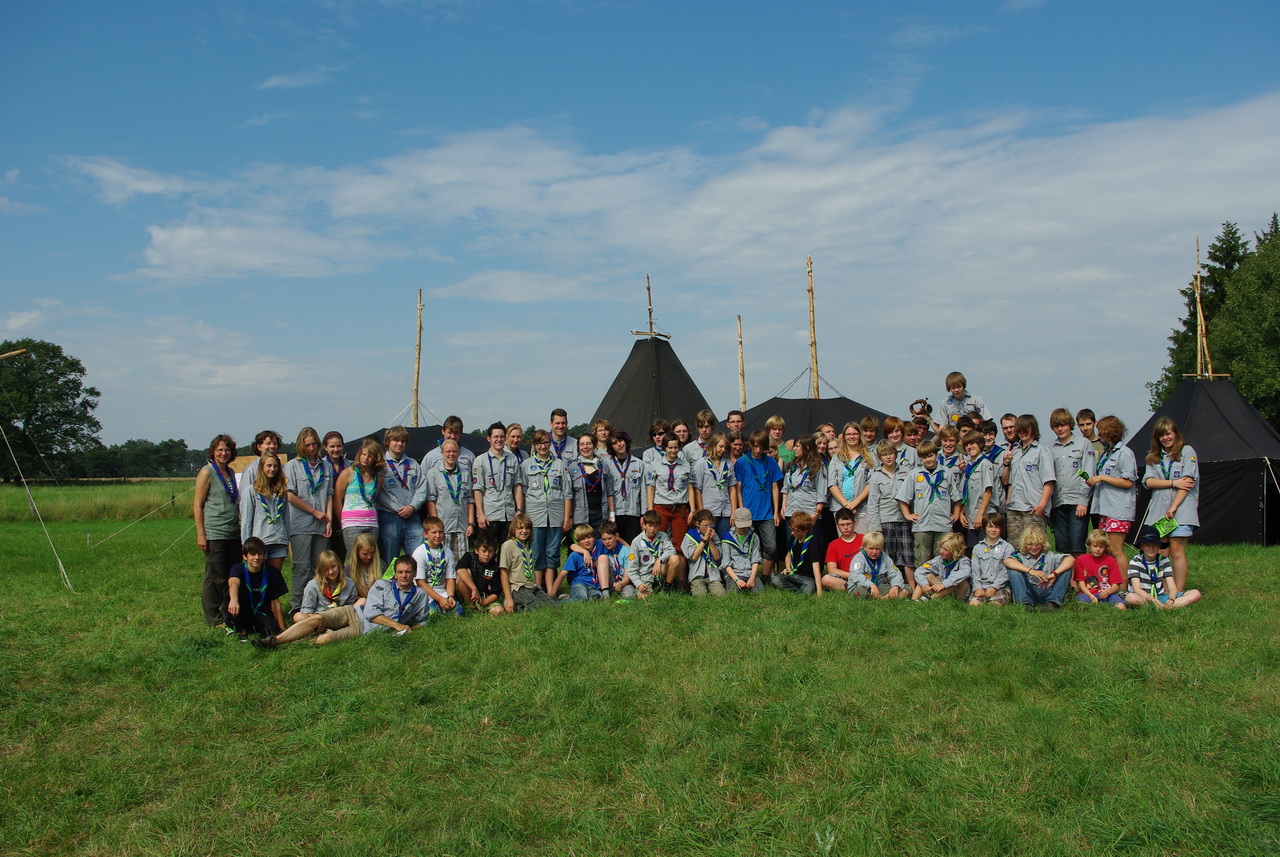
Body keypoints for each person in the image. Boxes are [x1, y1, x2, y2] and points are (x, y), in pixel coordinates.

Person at [253, 555, 430, 648]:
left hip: (362, 630)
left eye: (407, 572)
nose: (403, 576)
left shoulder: (420, 594)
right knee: (316, 619)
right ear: (395, 573)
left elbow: (422, 621)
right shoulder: (382, 585)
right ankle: (274, 641)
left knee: (325, 640)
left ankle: (300, 641)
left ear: (414, 573)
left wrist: (411, 629)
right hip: (353, 613)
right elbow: (371, 613)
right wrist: (398, 626)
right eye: (400, 572)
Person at [1142, 417, 1199, 592]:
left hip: (1180, 511)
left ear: (1175, 433)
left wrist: (1174, 507)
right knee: (1161, 552)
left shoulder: (1187, 451)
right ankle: (1163, 589)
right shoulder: (1153, 457)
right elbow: (1149, 482)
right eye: (1161, 435)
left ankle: (1178, 591)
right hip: (1159, 511)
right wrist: (1173, 483)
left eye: (1168, 433)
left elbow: (1187, 483)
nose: (1165, 438)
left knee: (1176, 550)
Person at [285, 427, 335, 613]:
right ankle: (297, 607)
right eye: (307, 445)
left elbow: (329, 494)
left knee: (319, 566)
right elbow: (290, 495)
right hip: (301, 524)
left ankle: (318, 604)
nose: (311, 448)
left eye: (314, 444)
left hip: (322, 523)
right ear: (301, 445)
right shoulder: (292, 465)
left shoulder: (326, 466)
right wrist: (314, 512)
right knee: (301, 567)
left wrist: (328, 518)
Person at [194, 434, 241, 627]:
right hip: (215, 531)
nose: (223, 453)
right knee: (215, 576)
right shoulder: (207, 472)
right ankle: (213, 619)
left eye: (227, 450)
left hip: (232, 531)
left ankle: (227, 613)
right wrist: (201, 534)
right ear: (213, 452)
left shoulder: (229, 472)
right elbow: (197, 505)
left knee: (231, 575)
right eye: (220, 450)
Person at [517, 429, 572, 593]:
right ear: (534, 445)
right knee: (537, 553)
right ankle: (536, 589)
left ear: (550, 444)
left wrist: (567, 518)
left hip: (555, 516)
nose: (543, 446)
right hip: (534, 517)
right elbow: (522, 491)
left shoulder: (559, 464)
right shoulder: (526, 466)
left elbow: (567, 493)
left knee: (552, 553)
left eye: (546, 442)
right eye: (540, 443)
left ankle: (551, 591)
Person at [1087, 415, 1137, 578]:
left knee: (1116, 549)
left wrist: (1102, 478)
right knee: (1107, 549)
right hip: (1105, 508)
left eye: (1101, 431)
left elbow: (1128, 482)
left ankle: (1123, 586)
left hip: (1119, 509)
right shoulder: (1107, 453)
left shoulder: (1125, 453)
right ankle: (1110, 582)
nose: (1099, 435)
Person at [897, 440, 959, 572]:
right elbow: (903, 498)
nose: (928, 459)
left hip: (943, 524)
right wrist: (907, 514)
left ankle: (942, 587)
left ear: (937, 454)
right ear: (920, 458)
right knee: (922, 558)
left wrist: (957, 513)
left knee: (943, 557)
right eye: (924, 457)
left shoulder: (947, 473)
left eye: (930, 455)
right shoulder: (915, 474)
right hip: (922, 524)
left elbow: (957, 497)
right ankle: (923, 587)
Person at [734, 430, 783, 581]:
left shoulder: (771, 462)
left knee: (771, 547)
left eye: (761, 447)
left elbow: (775, 487)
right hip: (748, 511)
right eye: (755, 446)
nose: (757, 450)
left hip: (766, 512)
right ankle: (749, 575)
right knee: (747, 545)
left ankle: (765, 576)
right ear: (750, 445)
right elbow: (738, 488)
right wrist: (741, 510)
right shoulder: (742, 462)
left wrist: (775, 511)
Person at [1002, 414, 1055, 547]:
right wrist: (1006, 464)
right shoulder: (1015, 452)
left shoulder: (1042, 451)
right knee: (1015, 548)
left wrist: (1042, 505)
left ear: (1033, 429)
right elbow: (1007, 481)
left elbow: (1049, 480)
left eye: (1026, 429)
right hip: (1014, 508)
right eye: (1020, 430)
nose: (1022, 433)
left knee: (1035, 546)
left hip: (1033, 507)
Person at [377, 425, 428, 563]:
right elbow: (379, 492)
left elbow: (422, 487)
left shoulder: (412, 463)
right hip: (389, 517)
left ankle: (415, 584)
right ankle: (389, 584)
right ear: (388, 441)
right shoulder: (380, 464)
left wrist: (412, 507)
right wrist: (398, 508)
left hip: (412, 516)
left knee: (416, 559)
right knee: (389, 560)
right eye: (396, 440)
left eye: (403, 441)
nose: (400, 444)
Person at [1048, 408, 1095, 556]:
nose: (1060, 429)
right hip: (1057, 503)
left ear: (1070, 425)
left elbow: (1088, 474)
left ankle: (1079, 579)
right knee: (1062, 547)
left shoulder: (1083, 443)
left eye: (1063, 425)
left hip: (1077, 502)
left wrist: (1083, 501)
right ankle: (1065, 579)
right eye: (1056, 426)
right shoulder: (1049, 448)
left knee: (1077, 545)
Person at [866, 440, 914, 583]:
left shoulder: (907, 471)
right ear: (879, 457)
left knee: (907, 555)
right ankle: (888, 586)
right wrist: (875, 528)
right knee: (887, 556)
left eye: (891, 453)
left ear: (896, 454)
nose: (888, 457)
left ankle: (911, 586)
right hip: (885, 521)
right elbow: (873, 504)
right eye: (884, 454)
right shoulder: (876, 476)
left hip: (904, 520)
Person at [1125, 525, 1201, 609]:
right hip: (1143, 597)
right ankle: (1160, 606)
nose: (1151, 548)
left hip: (1160, 596)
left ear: (1159, 546)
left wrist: (1171, 598)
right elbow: (1137, 589)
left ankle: (1167, 606)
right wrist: (1153, 599)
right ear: (1141, 546)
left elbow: (1172, 587)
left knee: (1195, 593)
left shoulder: (1164, 560)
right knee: (1131, 598)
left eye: (1154, 545)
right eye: (1147, 545)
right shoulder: (1135, 562)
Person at [646, 431, 695, 559]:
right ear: (664, 448)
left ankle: (678, 576)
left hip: (680, 509)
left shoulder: (686, 466)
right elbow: (650, 488)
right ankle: (656, 574)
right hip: (661, 508)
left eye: (676, 447)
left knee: (679, 544)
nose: (673, 450)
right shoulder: (655, 465)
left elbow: (690, 488)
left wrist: (693, 510)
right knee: (657, 541)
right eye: (670, 447)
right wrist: (650, 510)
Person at [227, 537, 287, 640]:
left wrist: (283, 631)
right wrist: (234, 599)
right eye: (253, 554)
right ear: (245, 556)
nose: (257, 558)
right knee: (235, 592)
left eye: (260, 554)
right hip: (242, 611)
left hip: (262, 613)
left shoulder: (271, 571)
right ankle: (240, 630)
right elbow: (233, 583)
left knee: (272, 631)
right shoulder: (238, 569)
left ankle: (263, 638)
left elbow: (275, 603)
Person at [780, 435, 829, 561]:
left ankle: (811, 576)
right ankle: (793, 573)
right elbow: (786, 488)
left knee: (811, 547)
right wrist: (784, 506)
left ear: (806, 448)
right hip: (791, 512)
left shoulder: (819, 467)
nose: (794, 449)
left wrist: (816, 513)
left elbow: (821, 493)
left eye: (797, 446)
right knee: (792, 546)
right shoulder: (792, 466)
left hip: (809, 514)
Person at [1004, 525, 1074, 612]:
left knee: (1066, 569)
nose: (1034, 547)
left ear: (1042, 544)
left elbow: (1070, 559)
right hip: (1028, 591)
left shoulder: (1049, 555)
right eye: (1030, 544)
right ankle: (1025, 604)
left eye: (1037, 544)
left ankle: (1053, 603)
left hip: (1047, 590)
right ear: (1025, 544)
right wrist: (1031, 571)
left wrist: (1055, 574)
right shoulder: (1020, 556)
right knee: (1014, 570)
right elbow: (1007, 561)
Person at [425, 438, 474, 561]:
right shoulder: (433, 473)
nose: (451, 454)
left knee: (462, 563)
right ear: (442, 453)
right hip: (443, 527)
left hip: (462, 526)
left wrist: (471, 524)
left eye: (454, 451)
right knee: (442, 560)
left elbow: (470, 500)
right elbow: (431, 499)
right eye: (448, 451)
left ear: (458, 453)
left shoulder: (466, 473)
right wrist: (435, 524)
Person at [240, 451, 290, 573]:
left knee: (274, 578)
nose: (272, 469)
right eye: (269, 466)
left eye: (275, 466)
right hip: (259, 541)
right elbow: (246, 519)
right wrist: (246, 546)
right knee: (259, 578)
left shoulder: (281, 490)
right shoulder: (252, 490)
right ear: (261, 467)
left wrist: (287, 540)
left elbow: (286, 517)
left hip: (278, 541)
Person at [473, 422, 519, 548]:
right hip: (490, 515)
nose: (499, 440)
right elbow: (478, 489)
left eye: (501, 437)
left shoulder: (512, 459)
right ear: (489, 438)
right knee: (487, 550)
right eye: (495, 437)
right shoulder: (480, 461)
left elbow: (517, 486)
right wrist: (480, 514)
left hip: (508, 514)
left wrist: (519, 510)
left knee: (507, 552)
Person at [499, 512, 558, 612]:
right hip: (518, 587)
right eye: (520, 528)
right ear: (513, 530)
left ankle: (522, 605)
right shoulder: (508, 545)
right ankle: (510, 604)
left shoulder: (530, 545)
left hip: (533, 586)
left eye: (527, 528)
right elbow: (503, 573)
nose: (524, 531)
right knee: (535, 608)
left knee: (553, 607)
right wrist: (508, 598)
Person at [335, 438, 383, 555]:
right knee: (355, 558)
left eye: (370, 456)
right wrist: (342, 522)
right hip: (352, 522)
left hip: (371, 523)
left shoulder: (379, 479)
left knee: (370, 558)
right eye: (364, 454)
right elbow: (337, 500)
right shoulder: (348, 473)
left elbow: (374, 500)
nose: (365, 458)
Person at [411, 516, 462, 616]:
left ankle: (445, 606)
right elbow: (420, 582)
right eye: (434, 532)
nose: (438, 535)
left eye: (441, 532)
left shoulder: (448, 552)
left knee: (458, 612)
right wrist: (439, 599)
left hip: (442, 591)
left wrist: (451, 596)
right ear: (425, 534)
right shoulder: (419, 552)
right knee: (433, 614)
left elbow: (450, 578)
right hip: (424, 592)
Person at [693, 432, 738, 535]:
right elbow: (697, 489)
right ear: (713, 444)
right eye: (721, 446)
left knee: (724, 539)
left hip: (725, 510)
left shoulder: (728, 464)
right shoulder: (702, 463)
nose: (723, 450)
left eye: (725, 448)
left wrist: (733, 512)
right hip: (709, 510)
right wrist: (701, 512)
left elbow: (732, 488)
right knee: (709, 539)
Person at [603, 431, 645, 543]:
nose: (619, 445)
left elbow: (643, 491)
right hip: (615, 513)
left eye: (621, 441)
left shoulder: (639, 463)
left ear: (626, 441)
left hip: (633, 513)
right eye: (615, 443)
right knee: (615, 545)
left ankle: (632, 561)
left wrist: (643, 514)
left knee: (633, 546)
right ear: (611, 446)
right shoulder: (606, 464)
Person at [624, 510, 678, 597]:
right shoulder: (636, 542)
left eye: (655, 526)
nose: (653, 529)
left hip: (661, 571)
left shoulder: (663, 536)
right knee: (644, 598)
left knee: (675, 558)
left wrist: (659, 560)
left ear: (659, 526)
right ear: (644, 525)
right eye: (650, 525)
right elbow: (632, 569)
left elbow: (672, 550)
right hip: (646, 576)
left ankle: (666, 589)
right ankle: (650, 589)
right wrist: (639, 584)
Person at [294, 549, 357, 622]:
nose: (331, 571)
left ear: (339, 565)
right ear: (321, 570)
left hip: (341, 618)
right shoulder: (312, 585)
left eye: (333, 567)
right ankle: (319, 628)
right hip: (320, 619)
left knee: (362, 601)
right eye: (326, 569)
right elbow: (307, 611)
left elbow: (351, 607)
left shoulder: (349, 583)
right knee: (298, 616)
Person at [844, 530, 908, 599]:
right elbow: (856, 576)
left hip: (878, 586)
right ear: (864, 547)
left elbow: (895, 573)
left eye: (877, 549)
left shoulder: (885, 558)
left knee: (907, 588)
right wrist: (871, 585)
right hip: (861, 586)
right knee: (861, 593)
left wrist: (895, 586)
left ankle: (882, 598)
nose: (874, 552)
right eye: (871, 548)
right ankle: (886, 598)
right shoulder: (858, 559)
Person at [958, 431, 995, 549]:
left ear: (980, 444)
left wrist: (980, 514)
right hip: (970, 517)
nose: (970, 447)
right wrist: (962, 512)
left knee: (986, 550)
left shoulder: (985, 464)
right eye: (967, 445)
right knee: (973, 551)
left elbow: (988, 491)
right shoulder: (968, 466)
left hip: (983, 516)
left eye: (973, 443)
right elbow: (967, 492)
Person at [968, 512, 1015, 605]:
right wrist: (977, 587)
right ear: (984, 529)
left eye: (996, 527)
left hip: (1000, 587)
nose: (993, 530)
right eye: (990, 527)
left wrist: (994, 587)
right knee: (974, 604)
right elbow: (975, 569)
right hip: (982, 586)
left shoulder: (1008, 547)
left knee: (994, 605)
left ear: (1001, 529)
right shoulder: (977, 548)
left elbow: (1006, 571)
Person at [1073, 529, 1127, 609]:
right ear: (1089, 545)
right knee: (1081, 606)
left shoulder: (1111, 561)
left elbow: (1116, 585)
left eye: (1101, 547)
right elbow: (1081, 584)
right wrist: (1091, 596)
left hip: (1107, 593)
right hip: (1087, 593)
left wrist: (1108, 591)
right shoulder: (1081, 560)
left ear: (1105, 547)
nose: (1098, 549)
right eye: (1095, 546)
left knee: (1121, 607)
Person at [772, 510, 822, 595]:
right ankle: (797, 591)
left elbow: (816, 568)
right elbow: (788, 555)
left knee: (808, 588)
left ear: (806, 530)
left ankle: (800, 591)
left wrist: (819, 591)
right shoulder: (794, 538)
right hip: (793, 574)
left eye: (796, 531)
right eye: (792, 530)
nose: (792, 533)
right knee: (775, 580)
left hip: (807, 578)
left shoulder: (812, 542)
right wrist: (788, 568)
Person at [913, 532, 971, 602]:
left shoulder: (964, 561)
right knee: (928, 576)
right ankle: (914, 600)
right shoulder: (939, 559)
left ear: (955, 551)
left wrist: (944, 584)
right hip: (943, 591)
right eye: (941, 547)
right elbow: (920, 570)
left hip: (959, 594)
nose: (941, 551)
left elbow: (965, 572)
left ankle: (931, 598)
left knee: (958, 581)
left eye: (945, 550)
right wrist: (924, 584)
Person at [569, 434, 611, 532]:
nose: (585, 447)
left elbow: (610, 493)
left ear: (594, 445)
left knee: (599, 546)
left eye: (588, 444)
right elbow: (569, 496)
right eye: (582, 444)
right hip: (580, 517)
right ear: (579, 447)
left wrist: (611, 515)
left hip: (600, 517)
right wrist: (569, 517)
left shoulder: (604, 466)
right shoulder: (572, 468)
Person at [456, 536, 505, 616]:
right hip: (467, 593)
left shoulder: (495, 566)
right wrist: (474, 588)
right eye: (484, 551)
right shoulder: (469, 556)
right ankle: (470, 607)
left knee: (499, 611)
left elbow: (495, 593)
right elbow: (459, 569)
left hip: (483, 596)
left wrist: (484, 602)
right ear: (476, 550)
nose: (487, 554)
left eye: (490, 551)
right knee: (466, 572)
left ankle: (480, 610)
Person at [555, 524, 606, 601]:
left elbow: (616, 539)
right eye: (583, 539)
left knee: (597, 598)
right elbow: (562, 574)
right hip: (579, 583)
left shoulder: (599, 545)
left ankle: (569, 598)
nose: (587, 540)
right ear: (578, 542)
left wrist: (629, 547)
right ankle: (558, 603)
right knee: (581, 599)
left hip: (594, 585)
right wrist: (552, 593)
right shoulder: (575, 555)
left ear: (594, 537)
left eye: (589, 537)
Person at [682, 509, 726, 597]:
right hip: (697, 576)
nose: (709, 529)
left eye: (711, 525)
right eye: (705, 526)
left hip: (712, 575)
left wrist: (710, 541)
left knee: (722, 596)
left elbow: (717, 557)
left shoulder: (714, 535)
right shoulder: (690, 536)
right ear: (697, 524)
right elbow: (693, 557)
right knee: (701, 597)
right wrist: (703, 541)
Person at [322, 430, 351, 561]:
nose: (335, 449)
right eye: (332, 446)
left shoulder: (351, 466)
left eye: (338, 446)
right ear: (325, 448)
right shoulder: (320, 466)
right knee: (327, 554)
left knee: (341, 553)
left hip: (345, 513)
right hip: (326, 514)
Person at [820, 508, 863, 592]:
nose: (846, 528)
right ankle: (853, 589)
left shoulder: (864, 539)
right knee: (826, 579)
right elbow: (831, 570)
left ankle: (860, 589)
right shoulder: (833, 545)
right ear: (837, 525)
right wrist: (853, 575)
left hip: (865, 575)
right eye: (842, 525)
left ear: (854, 523)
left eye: (848, 524)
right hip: (845, 578)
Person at [722, 507, 763, 592]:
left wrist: (752, 578)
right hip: (733, 574)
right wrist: (737, 580)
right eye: (741, 525)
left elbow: (755, 559)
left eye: (746, 525)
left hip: (749, 573)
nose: (743, 528)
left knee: (759, 592)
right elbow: (726, 563)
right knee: (734, 593)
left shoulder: (754, 537)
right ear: (735, 522)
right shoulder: (727, 538)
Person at [594, 521, 636, 599]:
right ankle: (606, 595)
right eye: (604, 539)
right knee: (602, 558)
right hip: (606, 582)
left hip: (623, 582)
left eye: (609, 538)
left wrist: (621, 584)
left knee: (630, 595)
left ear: (616, 536)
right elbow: (576, 545)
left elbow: (628, 576)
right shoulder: (600, 547)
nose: (607, 542)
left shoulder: (626, 551)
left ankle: (617, 596)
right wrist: (585, 552)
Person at [237, 429, 282, 494]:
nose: (272, 446)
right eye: (268, 443)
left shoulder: (283, 468)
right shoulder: (251, 471)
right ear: (259, 447)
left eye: (275, 443)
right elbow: (244, 496)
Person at [345, 531, 382, 601]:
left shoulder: (381, 565)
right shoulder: (348, 569)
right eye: (365, 554)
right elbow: (349, 595)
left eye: (372, 553)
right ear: (357, 552)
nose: (369, 557)